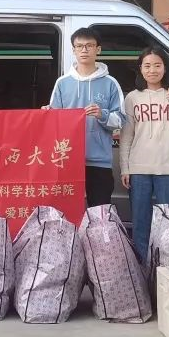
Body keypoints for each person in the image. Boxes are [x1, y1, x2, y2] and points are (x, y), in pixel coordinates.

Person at [120, 46, 169, 264]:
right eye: (147, 66)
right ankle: (143, 268)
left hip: (168, 167)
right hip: (139, 168)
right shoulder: (132, 98)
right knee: (140, 223)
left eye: (157, 65)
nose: (152, 70)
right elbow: (127, 135)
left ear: (165, 68)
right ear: (140, 69)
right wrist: (125, 167)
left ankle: (168, 268)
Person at [46, 27, 126, 208]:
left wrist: (102, 114)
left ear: (98, 49)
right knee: (67, 212)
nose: (84, 50)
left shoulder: (110, 83)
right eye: (79, 46)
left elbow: (121, 120)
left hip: (100, 162)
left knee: (99, 212)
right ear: (73, 50)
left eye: (89, 45)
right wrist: (47, 113)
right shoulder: (62, 83)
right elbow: (53, 122)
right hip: (67, 159)